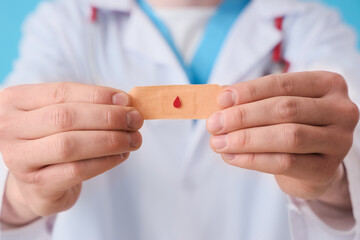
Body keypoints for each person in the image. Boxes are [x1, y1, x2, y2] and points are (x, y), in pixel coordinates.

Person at [1, 0, 360, 239]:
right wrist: (22, 192)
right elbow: (13, 139)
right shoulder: (65, 23)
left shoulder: (312, 26)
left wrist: (331, 180)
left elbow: (351, 138)